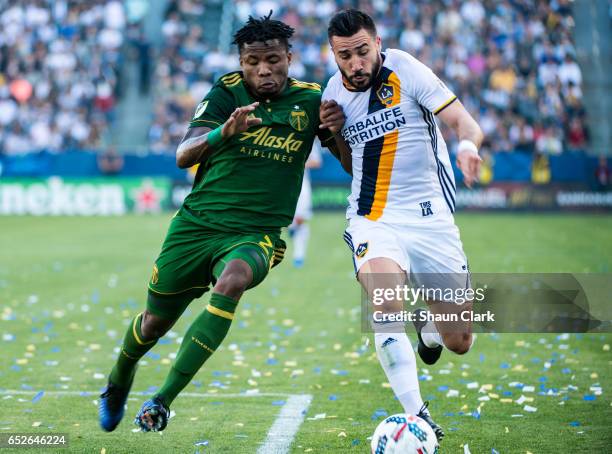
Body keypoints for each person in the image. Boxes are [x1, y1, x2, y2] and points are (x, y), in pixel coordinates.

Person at [98, 12, 348, 433]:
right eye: (252, 61)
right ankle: (119, 378)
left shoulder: (312, 100)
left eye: (272, 59)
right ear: (241, 61)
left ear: (289, 56)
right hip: (197, 227)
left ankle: (162, 400)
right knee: (153, 324)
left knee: (232, 280)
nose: (263, 70)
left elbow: (349, 164)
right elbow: (183, 155)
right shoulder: (225, 93)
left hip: (256, 234)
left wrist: (337, 131)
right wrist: (222, 134)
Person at [323, 10, 484, 442]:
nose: (355, 64)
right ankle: (417, 413)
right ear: (333, 55)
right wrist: (336, 134)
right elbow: (350, 166)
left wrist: (468, 145)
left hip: (430, 218)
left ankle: (428, 330)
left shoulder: (406, 69)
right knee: (386, 301)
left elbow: (463, 122)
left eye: (361, 51)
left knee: (460, 340)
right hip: (373, 217)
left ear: (377, 44)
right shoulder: (332, 95)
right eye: (345, 56)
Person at [289, 137, 322, 267]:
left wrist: (297, 163)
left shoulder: (307, 140)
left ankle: (299, 255)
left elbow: (316, 162)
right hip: (283, 184)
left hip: (302, 184)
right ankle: (298, 256)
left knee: (300, 218)